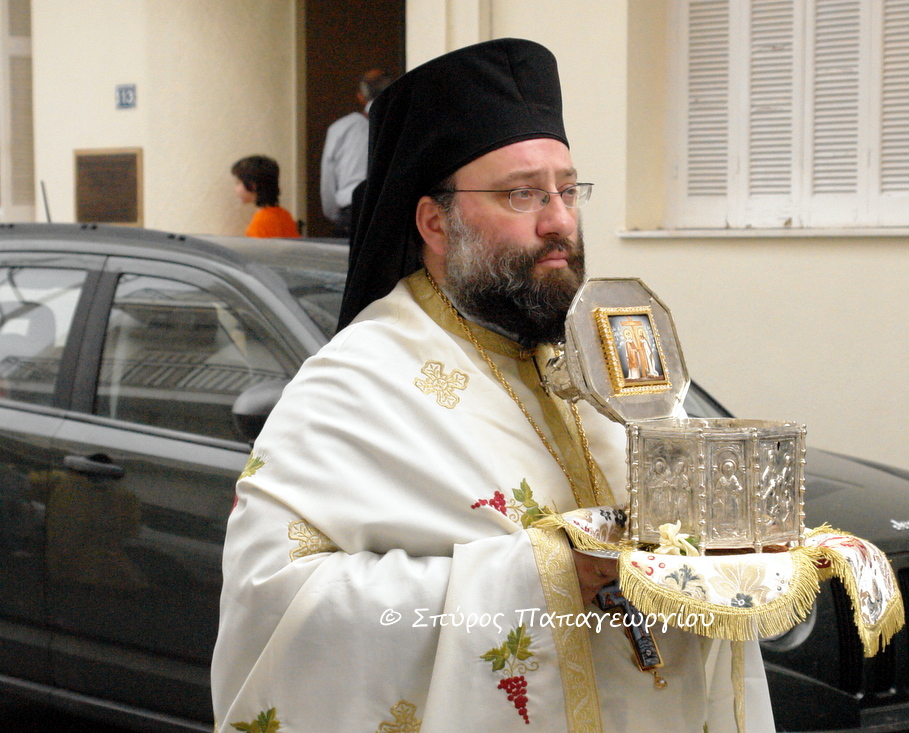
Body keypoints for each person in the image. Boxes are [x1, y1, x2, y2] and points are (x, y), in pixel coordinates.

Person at [212, 39, 774, 732]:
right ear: (434, 222)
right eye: (521, 194)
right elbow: (275, 601)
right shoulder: (354, 384)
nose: (559, 221)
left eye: (567, 190)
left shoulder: (605, 356)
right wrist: (540, 577)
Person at [319, 69, 393, 237]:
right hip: (391, 213)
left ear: (360, 97)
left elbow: (327, 181)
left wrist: (335, 215)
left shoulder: (339, 129)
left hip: (350, 214)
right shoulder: (405, 127)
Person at [231, 155, 300, 238]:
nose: (235, 189)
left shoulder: (260, 223)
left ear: (252, 185)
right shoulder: (285, 214)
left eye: (238, 183)